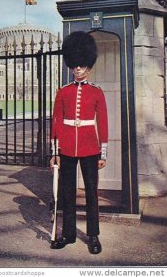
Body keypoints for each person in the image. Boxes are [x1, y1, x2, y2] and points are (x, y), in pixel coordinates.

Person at [50, 31, 108, 254]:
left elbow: (102, 123)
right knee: (67, 192)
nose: (78, 69)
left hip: (90, 147)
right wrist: (55, 152)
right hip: (66, 148)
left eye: (81, 65)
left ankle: (93, 235)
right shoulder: (63, 92)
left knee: (92, 192)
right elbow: (56, 122)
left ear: (88, 66)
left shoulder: (97, 92)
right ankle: (68, 234)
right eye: (75, 65)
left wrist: (103, 153)